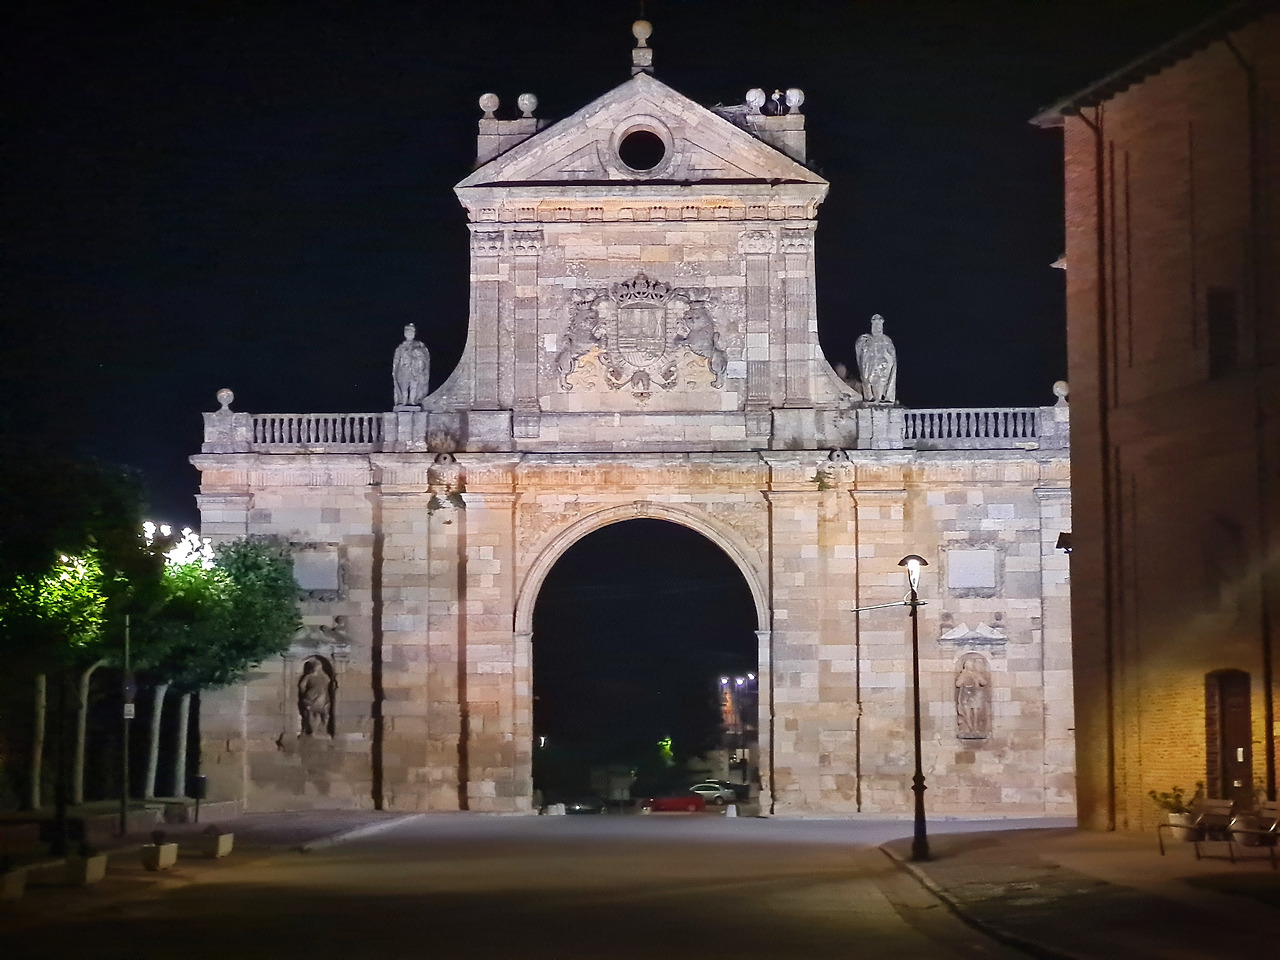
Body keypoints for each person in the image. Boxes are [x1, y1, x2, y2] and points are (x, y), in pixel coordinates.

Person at [855, 314, 897, 403]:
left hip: (883, 368)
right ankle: (870, 397)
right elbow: (860, 356)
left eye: (879, 324)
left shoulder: (886, 340)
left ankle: (883, 398)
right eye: (875, 324)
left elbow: (892, 357)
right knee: (869, 380)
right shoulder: (864, 340)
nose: (877, 327)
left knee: (881, 382)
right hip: (870, 370)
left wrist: (886, 362)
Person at [393, 323, 431, 408]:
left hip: (415, 370)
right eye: (407, 331)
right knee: (404, 387)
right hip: (403, 370)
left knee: (414, 386)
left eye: (411, 332)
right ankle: (403, 401)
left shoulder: (419, 345)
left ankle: (412, 401)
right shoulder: (401, 347)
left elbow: (424, 358)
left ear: (414, 333)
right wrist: (395, 371)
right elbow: (396, 360)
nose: (409, 333)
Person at [298, 658, 332, 736]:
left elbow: (329, 686)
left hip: (323, 698)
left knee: (325, 714)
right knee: (311, 713)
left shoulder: (325, 677)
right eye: (316, 666)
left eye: (318, 666)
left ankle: (323, 730)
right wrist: (305, 693)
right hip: (311, 697)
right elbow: (302, 685)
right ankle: (313, 731)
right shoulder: (309, 676)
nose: (317, 668)